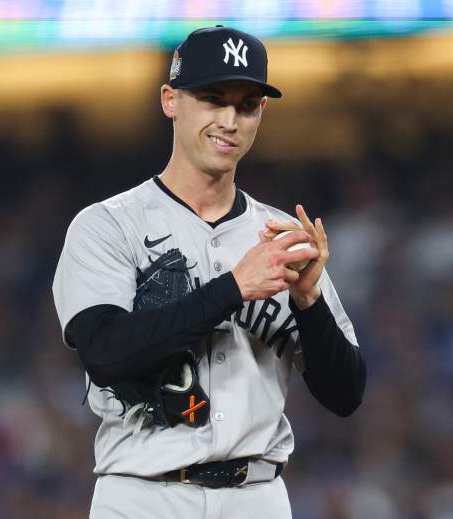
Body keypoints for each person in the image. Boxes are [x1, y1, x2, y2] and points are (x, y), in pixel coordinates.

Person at [52, 25, 366, 519]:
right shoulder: (109, 225)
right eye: (213, 98)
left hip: (256, 496)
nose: (230, 120)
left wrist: (309, 304)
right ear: (170, 100)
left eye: (247, 105)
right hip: (142, 495)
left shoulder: (279, 237)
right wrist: (233, 288)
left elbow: (346, 394)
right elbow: (106, 354)